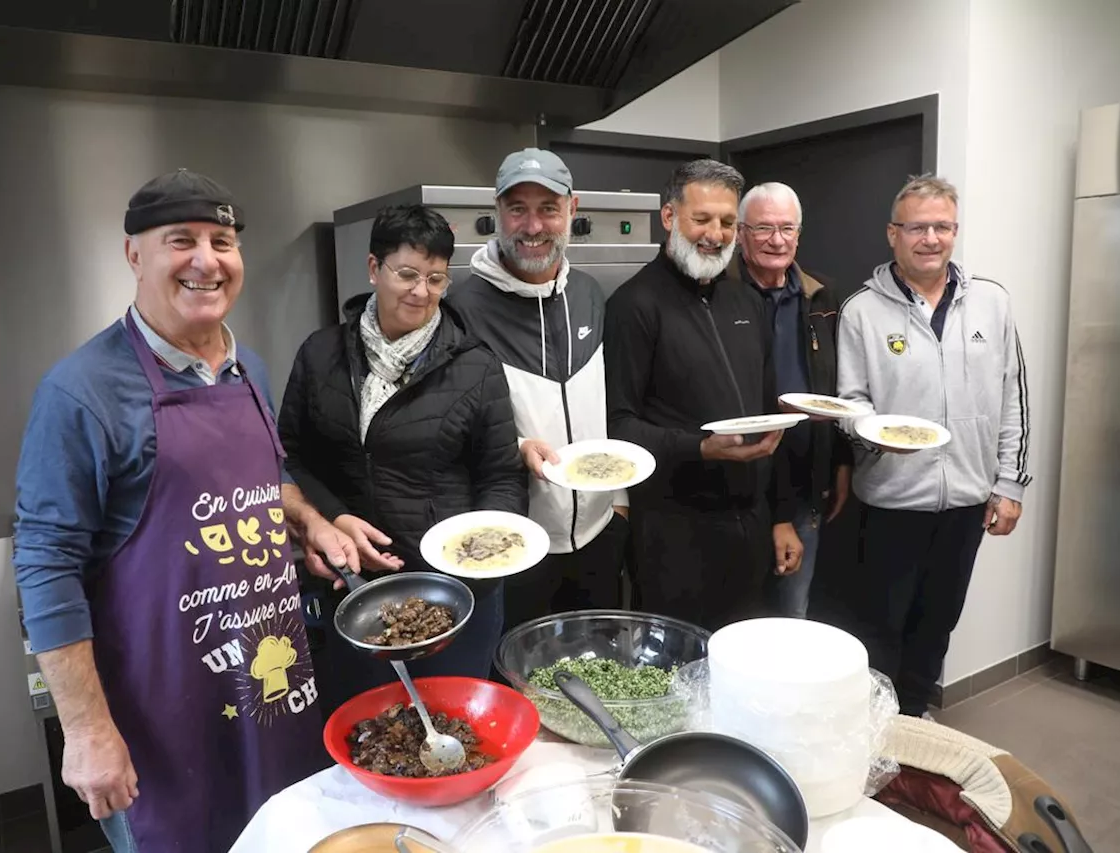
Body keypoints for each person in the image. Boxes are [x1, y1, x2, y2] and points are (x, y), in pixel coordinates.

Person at [12, 170, 331, 853]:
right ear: (134, 255)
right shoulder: (80, 391)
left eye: (222, 240)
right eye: (181, 240)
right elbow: (44, 566)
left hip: (273, 693)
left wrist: (311, 521)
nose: (206, 260)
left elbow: (265, 478)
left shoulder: (252, 371)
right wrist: (88, 731)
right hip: (163, 718)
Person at [277, 203, 527, 709]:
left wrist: (481, 553)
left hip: (453, 593)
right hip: (354, 586)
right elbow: (291, 457)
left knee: (451, 720)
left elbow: (501, 475)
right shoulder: (320, 354)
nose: (421, 292)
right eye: (408, 274)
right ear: (374, 269)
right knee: (368, 727)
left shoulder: (476, 367)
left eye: (436, 279)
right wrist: (336, 516)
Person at [820, 175, 1031, 718]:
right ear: (894, 233)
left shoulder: (992, 302)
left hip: (966, 500)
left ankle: (913, 722)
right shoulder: (861, 310)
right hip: (891, 498)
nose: (930, 238)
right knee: (879, 624)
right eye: (918, 227)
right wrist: (874, 432)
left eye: (942, 227)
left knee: (939, 620)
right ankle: (872, 728)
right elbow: (851, 400)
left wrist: (1008, 485)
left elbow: (1013, 399)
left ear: (955, 232)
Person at [605, 159, 803, 632]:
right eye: (702, 219)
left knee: (745, 661)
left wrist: (781, 517)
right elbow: (619, 425)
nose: (715, 233)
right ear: (669, 217)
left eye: (727, 221)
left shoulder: (746, 302)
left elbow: (769, 408)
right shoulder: (634, 305)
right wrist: (699, 446)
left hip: (752, 527)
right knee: (681, 674)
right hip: (674, 534)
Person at [448, 148, 631, 631]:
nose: (532, 226)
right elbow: (443, 429)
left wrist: (619, 503)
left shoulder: (589, 294)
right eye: (517, 209)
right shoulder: (460, 308)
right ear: (497, 212)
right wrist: (515, 448)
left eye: (548, 208)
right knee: (521, 680)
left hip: (598, 533)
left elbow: (604, 403)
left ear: (573, 209)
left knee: (598, 669)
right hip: (514, 543)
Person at [733, 182, 853, 618]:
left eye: (787, 228)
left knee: (791, 621)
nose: (776, 240)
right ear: (740, 233)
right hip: (739, 497)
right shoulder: (721, 298)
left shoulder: (823, 298)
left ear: (799, 234)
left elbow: (836, 387)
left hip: (806, 489)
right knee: (737, 623)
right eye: (763, 228)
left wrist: (841, 463)